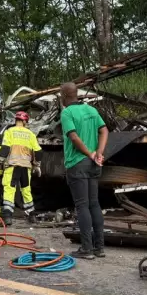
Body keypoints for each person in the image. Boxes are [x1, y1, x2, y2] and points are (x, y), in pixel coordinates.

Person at [60, 82, 109, 259]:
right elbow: (104, 131)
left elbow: (73, 137)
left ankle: (86, 249)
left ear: (64, 96)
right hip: (94, 164)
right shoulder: (91, 110)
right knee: (94, 203)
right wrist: (99, 154)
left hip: (77, 163)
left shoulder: (67, 113)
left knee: (82, 206)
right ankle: (99, 248)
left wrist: (89, 153)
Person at [0, 111, 42, 226]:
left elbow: (5, 148)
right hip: (25, 167)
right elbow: (38, 151)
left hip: (12, 166)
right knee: (26, 191)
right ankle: (32, 215)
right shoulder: (30, 134)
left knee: (9, 190)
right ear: (24, 121)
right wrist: (37, 165)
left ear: (16, 121)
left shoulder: (10, 131)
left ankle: (7, 217)